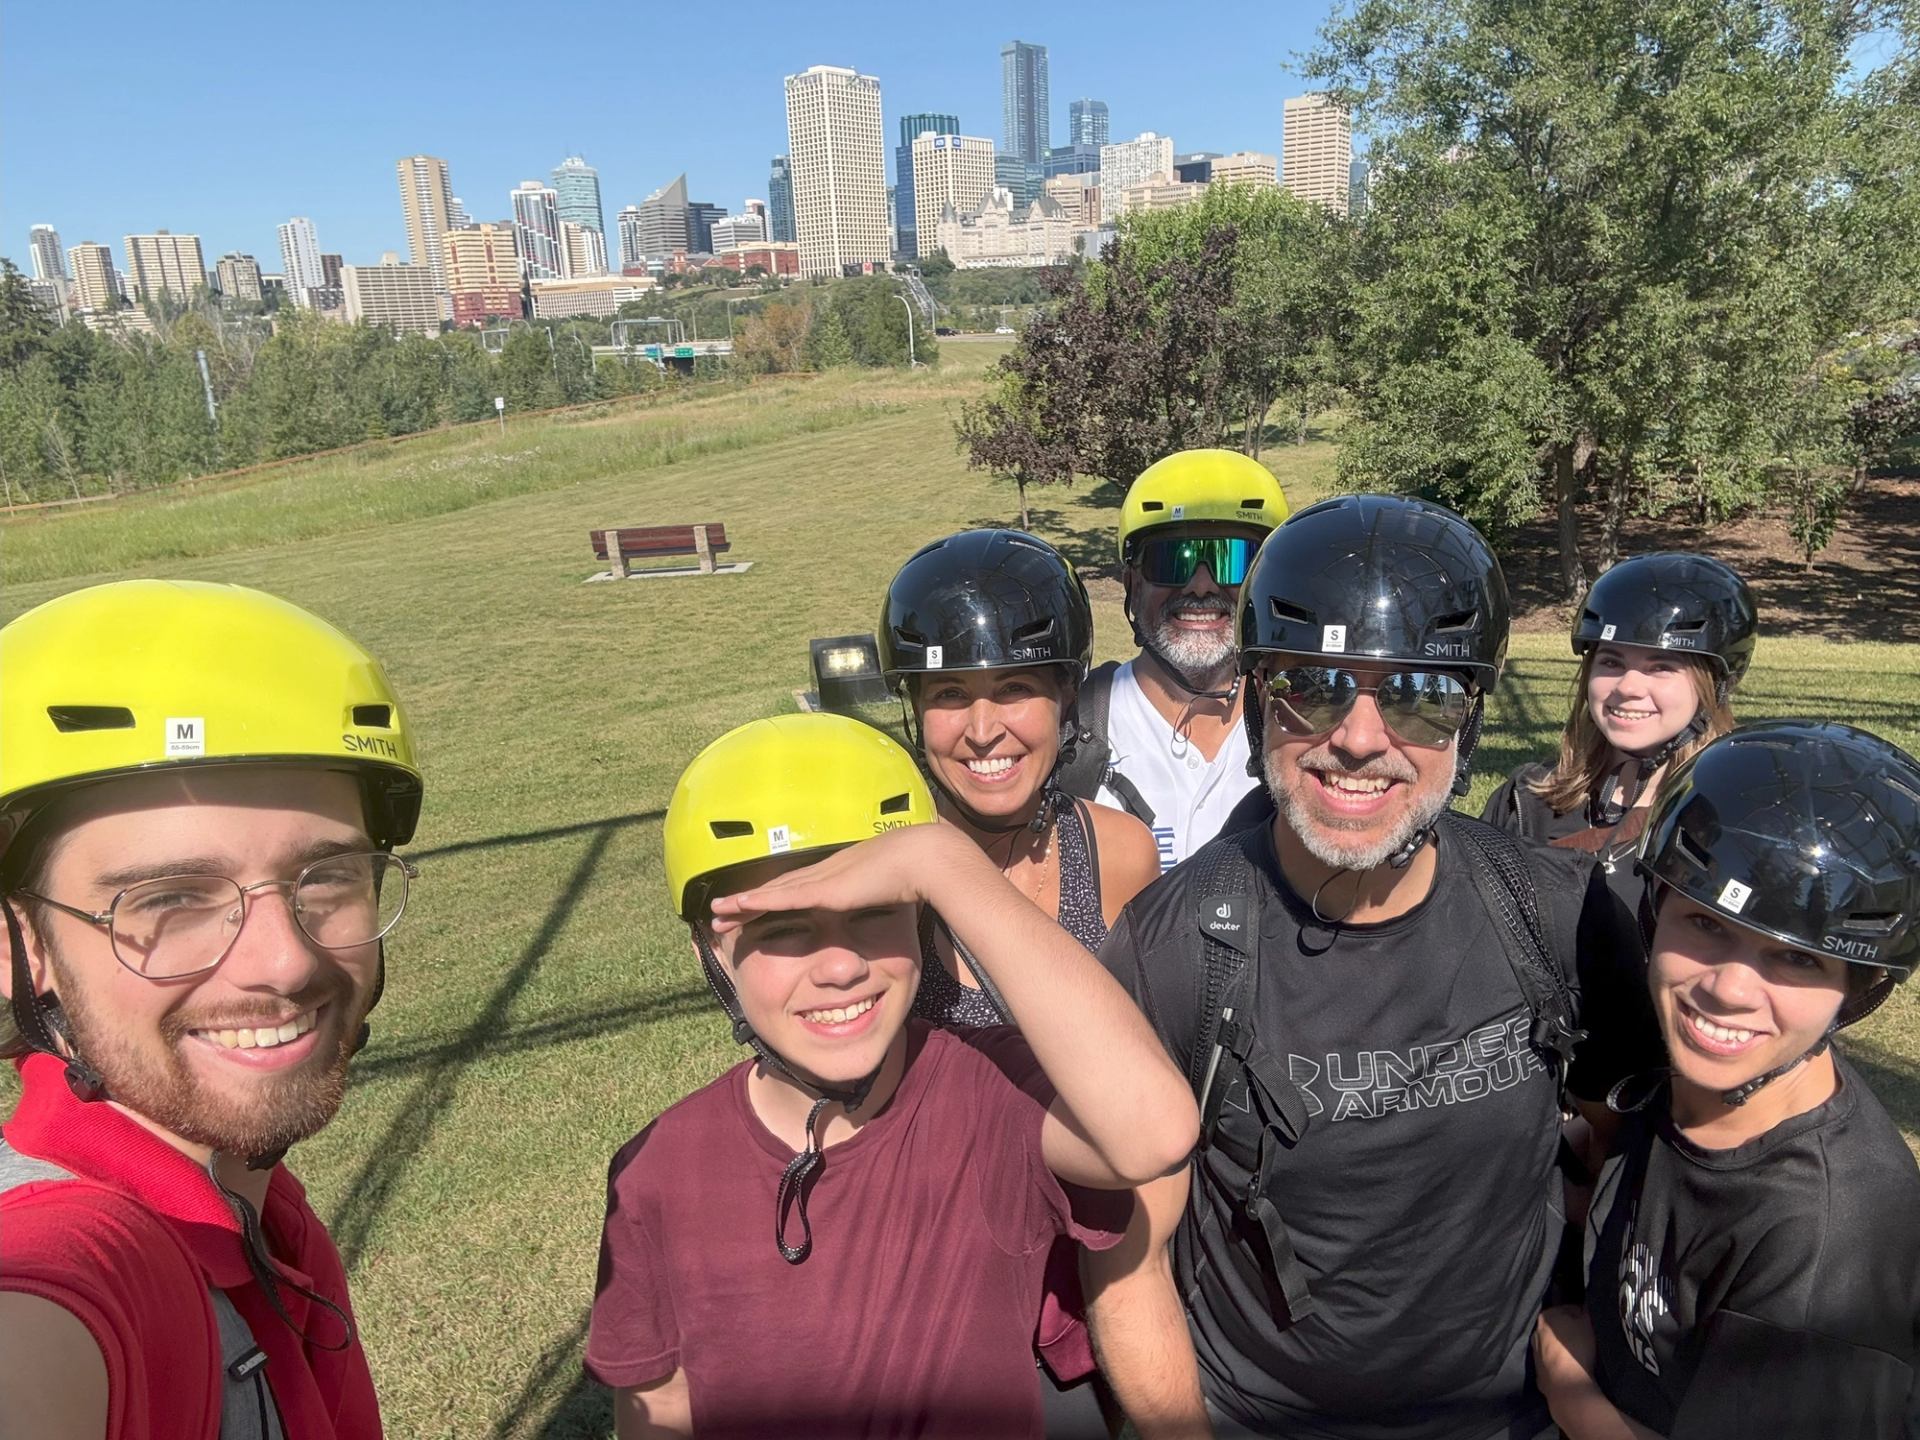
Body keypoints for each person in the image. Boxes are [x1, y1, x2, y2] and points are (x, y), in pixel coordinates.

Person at [1084, 495, 1655, 1440]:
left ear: (1469, 719)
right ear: (1263, 695)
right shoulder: (1176, 944)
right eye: (1315, 685)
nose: (1359, 737)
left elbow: (1621, 1159)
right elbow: (1128, 1260)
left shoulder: (1556, 910)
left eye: (1417, 695)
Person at [584, 713, 1198, 1440]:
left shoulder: (988, 1091)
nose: (841, 967)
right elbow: (661, 1408)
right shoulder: (659, 1173)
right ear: (709, 955)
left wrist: (945, 863)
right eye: (783, 930)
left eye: (875, 914)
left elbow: (1153, 1132)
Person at [0, 580, 425, 1439]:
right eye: (169, 899)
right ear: (21, 949)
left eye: (327, 877)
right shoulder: (63, 1273)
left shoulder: (252, 1204)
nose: (286, 960)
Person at [1535, 721, 1920, 1440]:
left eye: (1797, 960)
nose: (1730, 990)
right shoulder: (1683, 1086)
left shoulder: (1827, 1248)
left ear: (1860, 993)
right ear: (1654, 914)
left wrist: (1568, 1388)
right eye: (1706, 925)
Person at [879, 527, 1163, 1436]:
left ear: (1066, 697)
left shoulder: (1115, 852)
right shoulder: (886, 879)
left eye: (1015, 689)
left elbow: (1139, 1072)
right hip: (937, 1287)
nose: (984, 727)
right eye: (949, 694)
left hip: (1098, 1266)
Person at [1055, 449, 1290, 874]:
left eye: (1232, 559)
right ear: (1131, 582)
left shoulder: (1308, 724)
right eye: (1173, 560)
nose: (1201, 585)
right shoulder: (1072, 732)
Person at [1482, 553, 1756, 882]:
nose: (1628, 687)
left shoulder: (1735, 822)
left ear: (1713, 685)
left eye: (1661, 667)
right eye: (1612, 662)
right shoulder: (1527, 801)